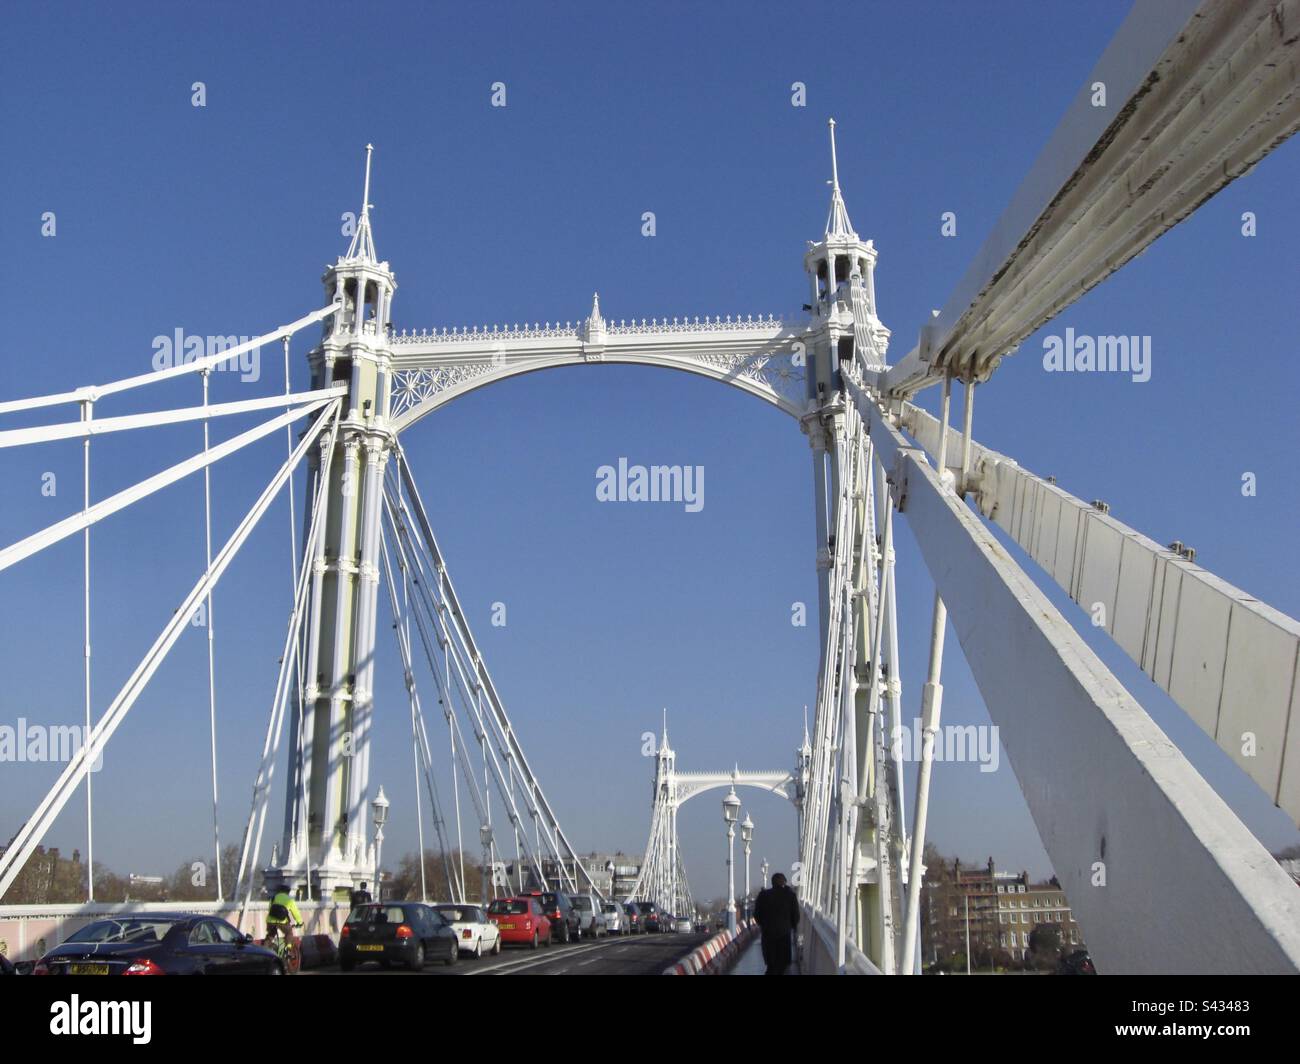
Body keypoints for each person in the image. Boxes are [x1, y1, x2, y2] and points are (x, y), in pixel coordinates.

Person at [752, 872, 799, 975]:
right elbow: (796, 916)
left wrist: (763, 925)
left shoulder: (763, 895)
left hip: (768, 935)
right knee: (783, 966)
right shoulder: (790, 896)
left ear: (772, 883)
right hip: (784, 935)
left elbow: (756, 915)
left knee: (771, 965)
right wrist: (792, 927)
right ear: (784, 883)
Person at [265, 887, 303, 961]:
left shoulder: (273, 898)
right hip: (282, 922)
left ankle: (264, 951)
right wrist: (299, 922)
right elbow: (295, 913)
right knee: (289, 932)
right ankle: (288, 949)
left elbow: (270, 909)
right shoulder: (289, 900)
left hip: (270, 921)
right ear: (288, 892)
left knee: (270, 935)